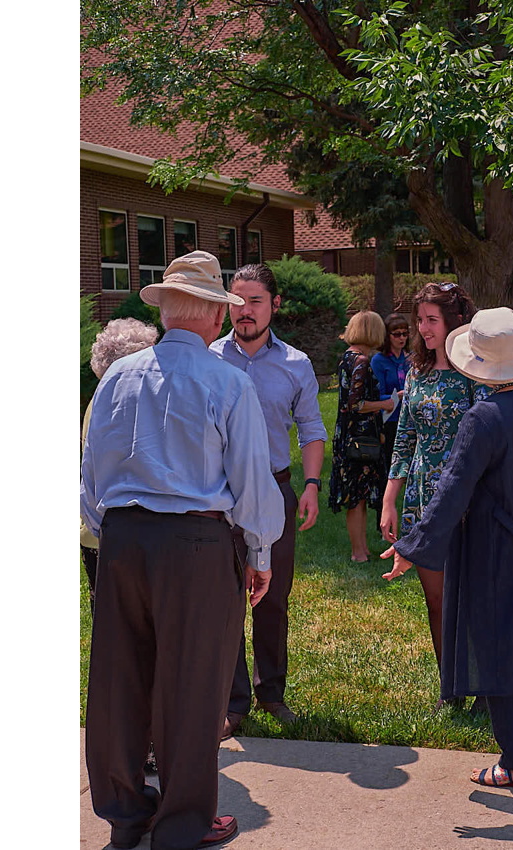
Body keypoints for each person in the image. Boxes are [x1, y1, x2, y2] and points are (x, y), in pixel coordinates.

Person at [81, 250, 285, 850]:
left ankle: (125, 812)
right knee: (194, 685)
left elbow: (91, 474)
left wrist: (114, 531)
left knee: (120, 677)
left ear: (168, 312)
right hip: (195, 542)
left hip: (121, 539)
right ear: (216, 318)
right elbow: (252, 480)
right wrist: (260, 553)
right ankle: (182, 823)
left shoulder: (116, 376)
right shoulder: (228, 380)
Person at [381, 307, 513, 790]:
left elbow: (451, 491)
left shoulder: (482, 418)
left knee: (496, 648)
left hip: (494, 552)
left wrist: (413, 545)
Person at [210, 262, 327, 737]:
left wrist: (313, 485)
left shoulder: (296, 364)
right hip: (219, 494)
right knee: (226, 599)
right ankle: (233, 702)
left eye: (255, 301)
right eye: (237, 302)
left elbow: (312, 431)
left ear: (275, 305)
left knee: (272, 597)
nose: (245, 311)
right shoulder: (210, 359)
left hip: (276, 489)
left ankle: (271, 692)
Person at [378, 282, 491, 702]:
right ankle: (452, 687)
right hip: (422, 498)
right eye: (420, 320)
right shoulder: (417, 372)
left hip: (468, 497)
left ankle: (484, 685)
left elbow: (485, 436)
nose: (423, 329)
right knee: (437, 600)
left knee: (474, 599)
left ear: (454, 322)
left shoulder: (476, 374)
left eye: (431, 320)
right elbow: (405, 436)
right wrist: (391, 498)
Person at [81, 317, 160, 617]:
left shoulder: (98, 400)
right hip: (119, 531)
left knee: (109, 622)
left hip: (98, 530)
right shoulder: (124, 403)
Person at [328, 310, 393, 562]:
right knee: (356, 497)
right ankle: (358, 553)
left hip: (349, 434)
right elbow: (356, 404)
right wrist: (385, 404)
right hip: (359, 439)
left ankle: (363, 548)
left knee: (360, 495)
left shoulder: (347, 357)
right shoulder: (362, 362)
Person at [370, 312, 409, 500]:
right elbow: (377, 395)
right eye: (397, 334)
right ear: (388, 336)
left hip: (409, 418)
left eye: (405, 333)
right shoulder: (379, 361)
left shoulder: (410, 359)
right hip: (389, 420)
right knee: (389, 469)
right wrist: (399, 396)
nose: (402, 338)